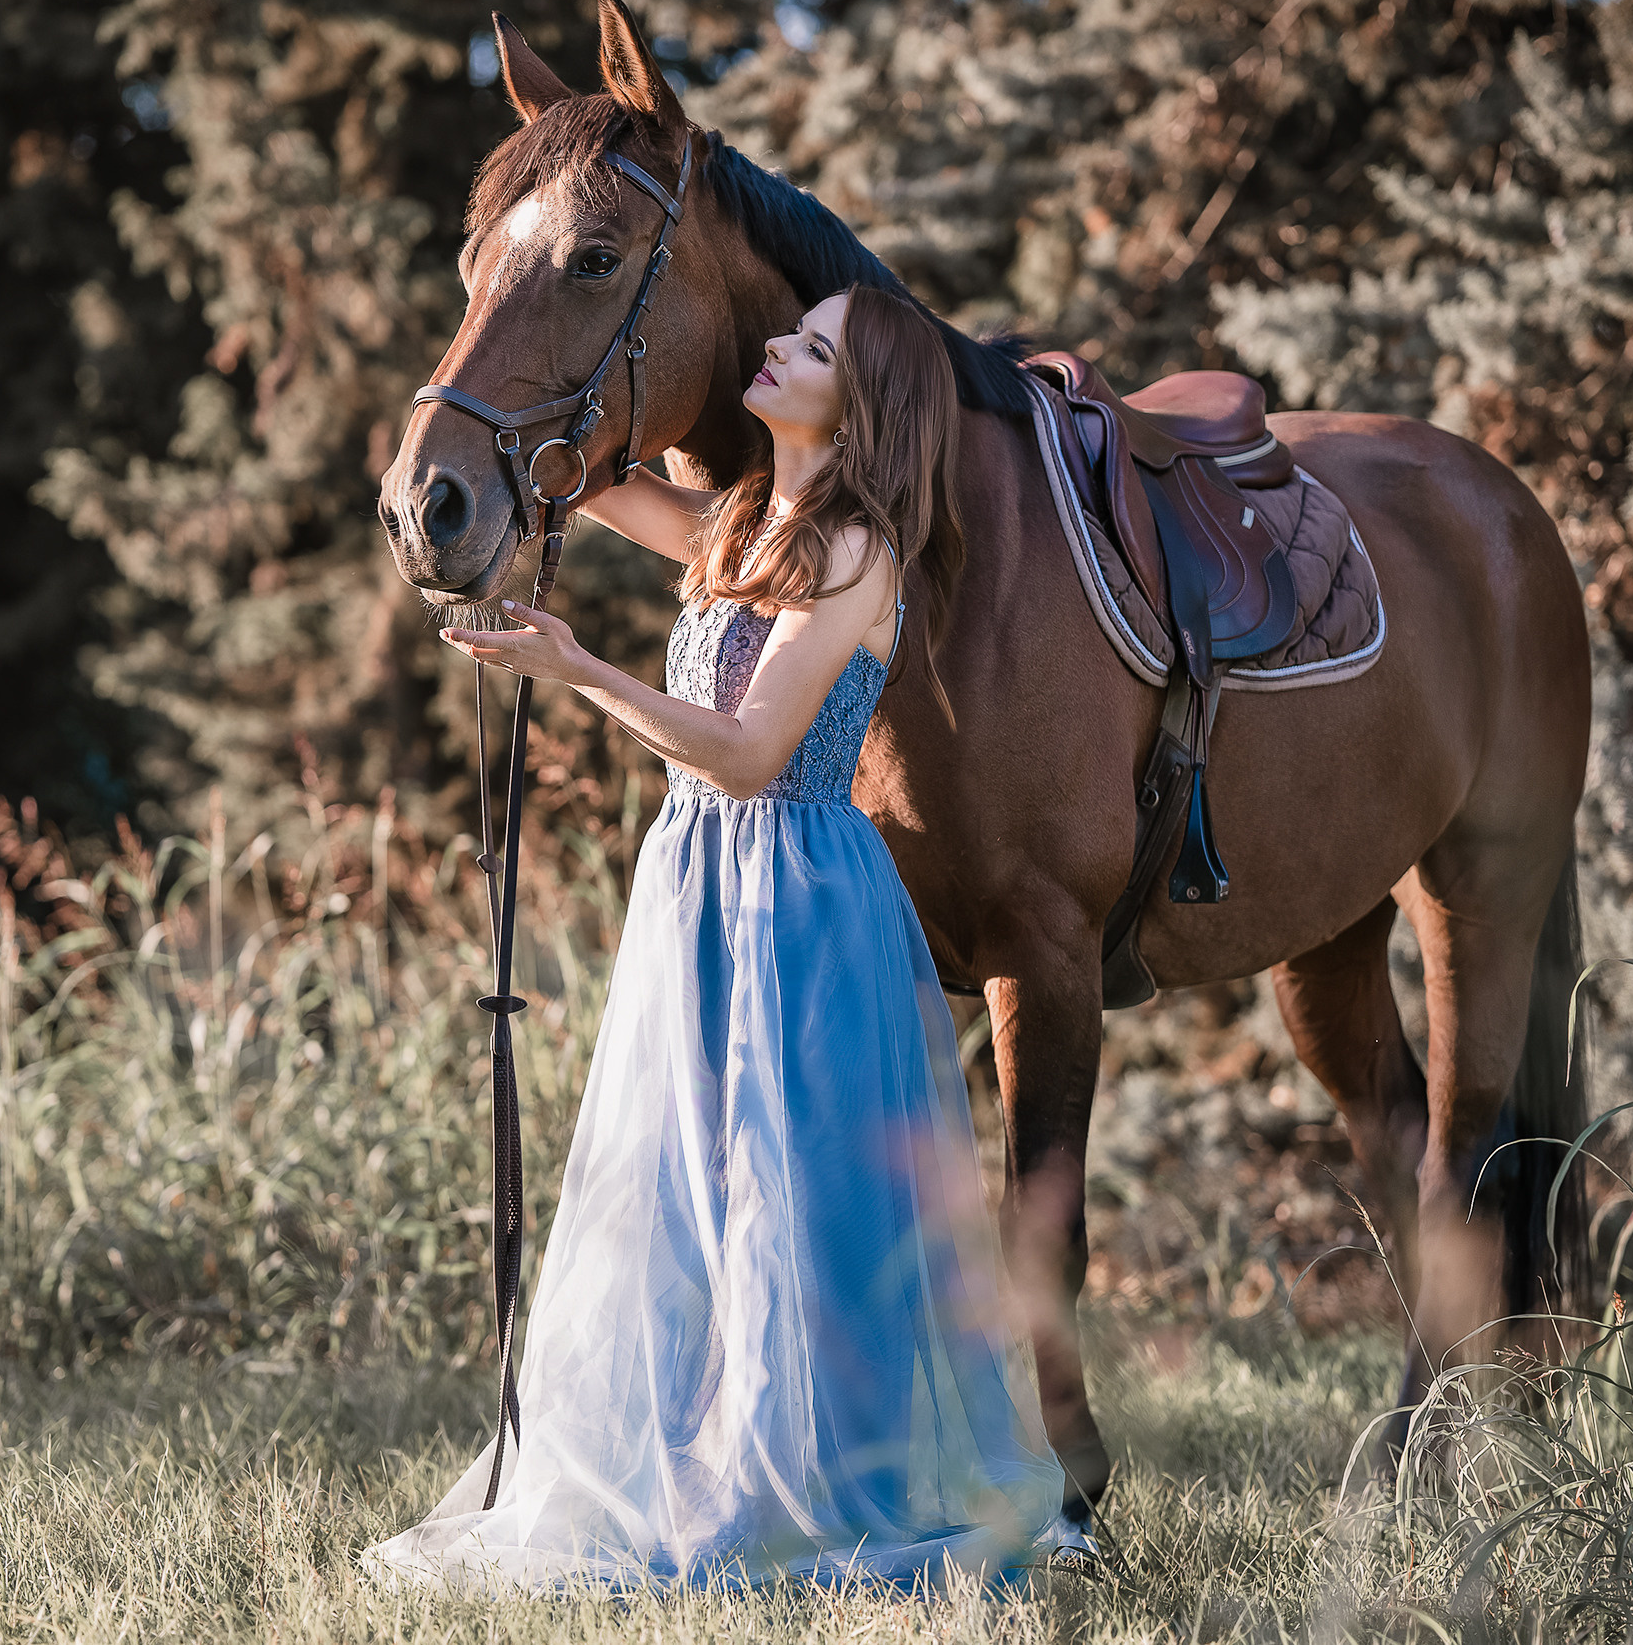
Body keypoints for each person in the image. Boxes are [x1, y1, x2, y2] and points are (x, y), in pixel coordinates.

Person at [364, 283, 1092, 1595]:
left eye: (809, 349)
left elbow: (753, 752)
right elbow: (574, 476)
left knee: (794, 1186)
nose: (777, 348)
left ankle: (813, 1471)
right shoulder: (739, 520)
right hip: (693, 881)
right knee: (690, 1173)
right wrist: (497, 396)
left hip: (798, 888)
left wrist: (578, 668)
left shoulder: (859, 549)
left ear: (856, 400)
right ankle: (701, 1454)